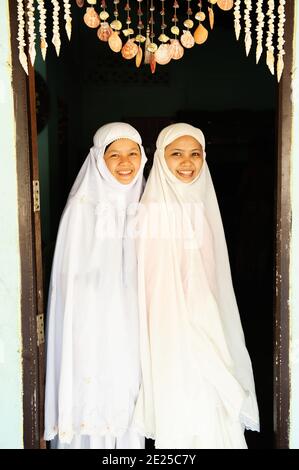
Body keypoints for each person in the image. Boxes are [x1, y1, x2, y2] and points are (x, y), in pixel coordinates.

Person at [132, 123, 260, 449]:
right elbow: (151, 287)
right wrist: (190, 332)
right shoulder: (151, 212)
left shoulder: (201, 205)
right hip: (173, 337)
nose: (187, 162)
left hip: (207, 327)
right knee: (187, 416)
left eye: (195, 154)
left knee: (211, 416)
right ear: (160, 158)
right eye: (176, 154)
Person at [44, 122, 147, 449]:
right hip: (92, 329)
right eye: (114, 154)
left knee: (129, 397)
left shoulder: (148, 200)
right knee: (95, 393)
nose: (125, 162)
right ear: (98, 159)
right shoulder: (82, 207)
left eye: (133, 153)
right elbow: (71, 282)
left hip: (133, 326)